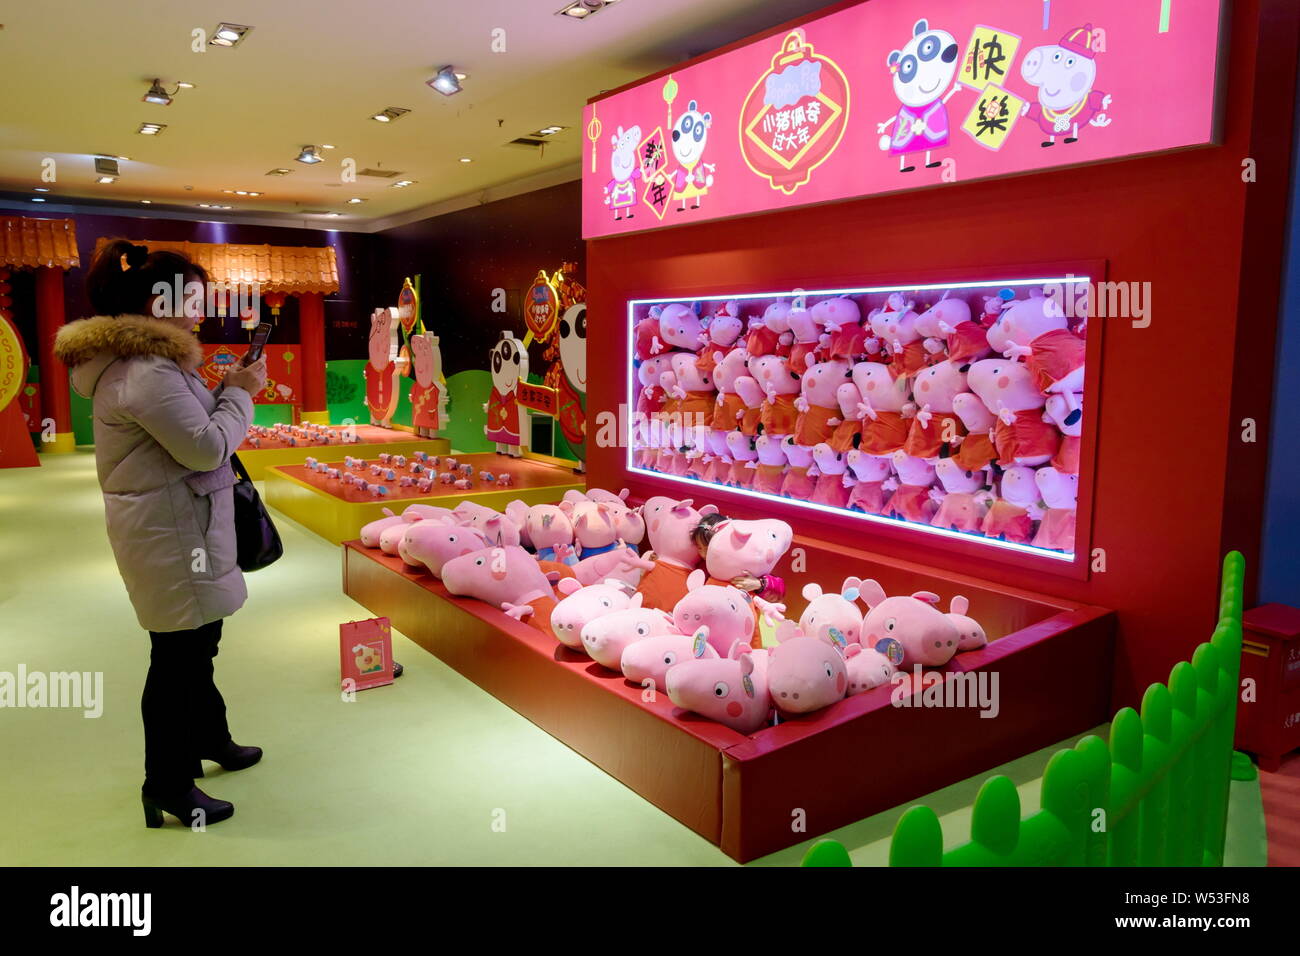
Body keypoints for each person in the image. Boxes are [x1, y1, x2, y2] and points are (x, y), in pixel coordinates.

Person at [54, 240, 268, 829]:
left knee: (196, 648)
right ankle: (167, 784)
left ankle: (210, 740)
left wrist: (224, 390)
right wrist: (243, 392)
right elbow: (204, 448)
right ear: (158, 302)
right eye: (192, 298)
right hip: (173, 535)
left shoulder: (155, 367)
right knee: (176, 657)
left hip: (181, 526)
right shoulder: (147, 373)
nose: (200, 310)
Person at [689, 513, 786, 605]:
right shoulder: (703, 566)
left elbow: (780, 589)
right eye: (699, 547)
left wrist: (760, 584)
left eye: (707, 548)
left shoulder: (751, 565)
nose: (702, 553)